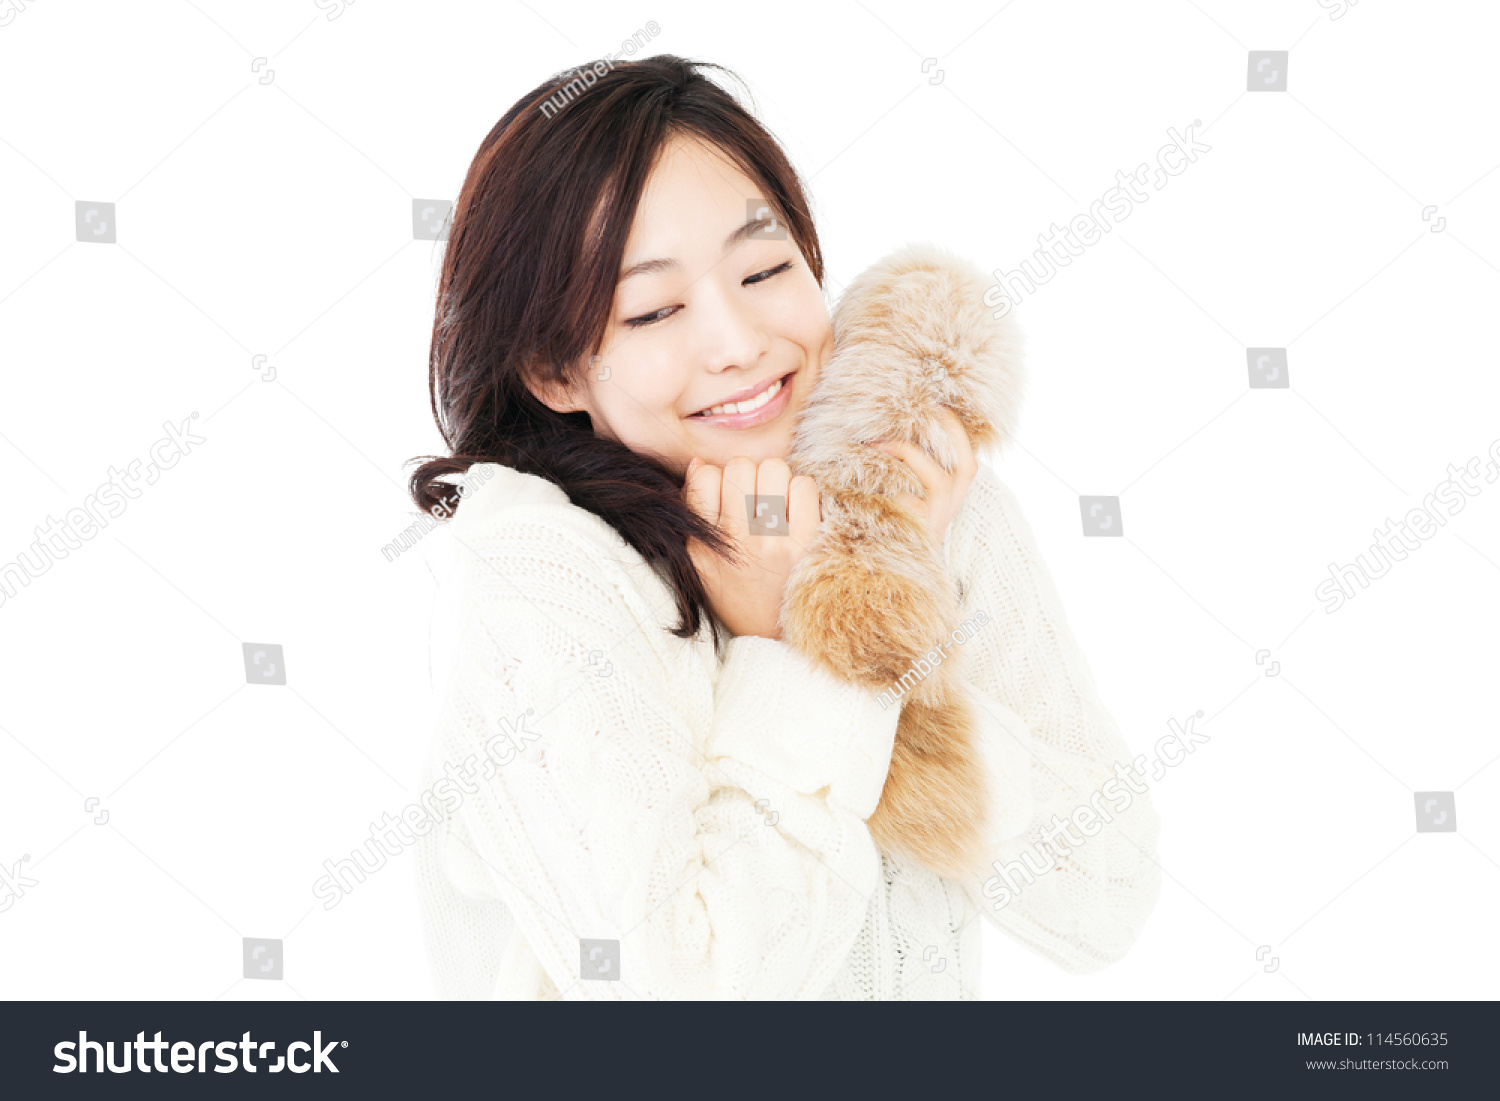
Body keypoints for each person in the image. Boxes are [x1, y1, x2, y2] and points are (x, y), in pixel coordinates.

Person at [407, 54, 1160, 999]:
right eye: (654, 310)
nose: (738, 343)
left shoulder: (918, 497)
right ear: (556, 371)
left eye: (764, 269)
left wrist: (876, 594)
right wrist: (808, 651)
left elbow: (1108, 896)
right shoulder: (541, 582)